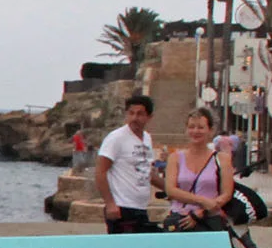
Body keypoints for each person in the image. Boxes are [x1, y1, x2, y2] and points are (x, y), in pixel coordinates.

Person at [160, 108, 234, 230]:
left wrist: (201, 211)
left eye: (200, 127)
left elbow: (226, 194)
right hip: (180, 218)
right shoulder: (175, 158)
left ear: (210, 130)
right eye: (191, 127)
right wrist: (203, 201)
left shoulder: (222, 159)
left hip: (209, 219)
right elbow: (171, 190)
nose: (195, 131)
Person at [94, 96, 157, 233]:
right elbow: (100, 171)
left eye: (140, 114)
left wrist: (173, 188)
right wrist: (110, 204)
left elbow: (147, 172)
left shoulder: (147, 138)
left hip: (141, 207)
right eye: (131, 113)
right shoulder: (116, 138)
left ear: (149, 117)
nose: (134, 118)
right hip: (121, 207)